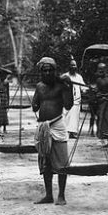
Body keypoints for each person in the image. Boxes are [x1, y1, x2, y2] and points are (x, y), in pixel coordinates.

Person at [31, 57, 74, 205]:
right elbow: (35, 106)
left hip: (57, 125)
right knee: (45, 162)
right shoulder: (39, 86)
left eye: (50, 70)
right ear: (41, 72)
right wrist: (35, 101)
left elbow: (68, 105)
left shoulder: (60, 86)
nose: (48, 72)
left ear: (54, 71)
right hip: (43, 127)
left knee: (62, 163)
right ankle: (48, 195)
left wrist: (69, 87)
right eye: (44, 70)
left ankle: (61, 195)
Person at [62, 58, 87, 138]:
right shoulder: (64, 76)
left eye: (75, 65)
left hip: (76, 100)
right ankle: (66, 132)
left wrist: (87, 89)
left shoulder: (79, 77)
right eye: (72, 65)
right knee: (66, 116)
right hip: (66, 100)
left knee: (74, 117)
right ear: (69, 66)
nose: (73, 67)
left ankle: (73, 132)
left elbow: (83, 87)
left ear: (76, 67)